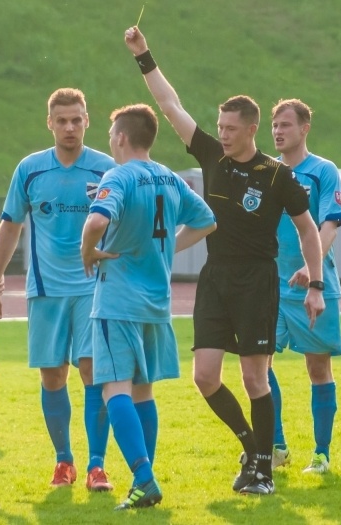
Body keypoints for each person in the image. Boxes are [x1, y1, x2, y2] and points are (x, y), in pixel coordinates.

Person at [124, 26, 325, 496]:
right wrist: (143, 56)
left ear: (253, 129)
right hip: (215, 279)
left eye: (232, 130)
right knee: (204, 376)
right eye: (220, 128)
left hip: (258, 281)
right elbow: (170, 105)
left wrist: (315, 285)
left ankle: (262, 470)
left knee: (255, 376)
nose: (223, 136)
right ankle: (253, 446)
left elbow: (308, 228)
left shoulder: (278, 176)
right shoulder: (212, 155)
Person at [81, 104, 216, 510]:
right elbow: (207, 220)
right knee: (143, 391)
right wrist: (167, 248)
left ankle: (143, 478)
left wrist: (89, 252)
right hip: (157, 302)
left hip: (118, 300)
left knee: (113, 389)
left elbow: (96, 222)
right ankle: (146, 481)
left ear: (121, 137)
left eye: (110, 135)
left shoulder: (118, 175)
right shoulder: (170, 178)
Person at [0, 88, 114, 491]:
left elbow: (125, 223)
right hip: (45, 291)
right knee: (52, 376)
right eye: (62, 120)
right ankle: (64, 461)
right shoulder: (31, 169)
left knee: (93, 373)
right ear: (50, 123)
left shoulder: (106, 169)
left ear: (87, 121)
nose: (70, 127)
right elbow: (9, 226)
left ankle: (96, 466)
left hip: (93, 289)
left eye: (76, 119)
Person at [268, 99, 341, 474]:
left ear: (304, 129)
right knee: (256, 361)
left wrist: (309, 269)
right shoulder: (266, 172)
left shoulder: (323, 171)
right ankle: (276, 445)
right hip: (271, 287)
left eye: (285, 125)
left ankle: (321, 454)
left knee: (317, 369)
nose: (278, 131)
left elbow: (329, 224)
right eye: (274, 125)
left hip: (315, 285)